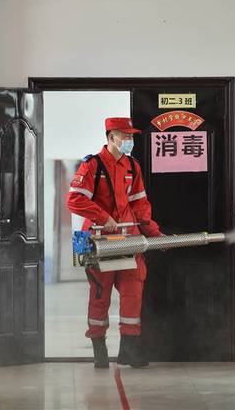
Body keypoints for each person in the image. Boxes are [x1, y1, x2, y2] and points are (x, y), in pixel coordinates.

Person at [66, 117, 162, 369]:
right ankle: (99, 349)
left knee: (133, 293)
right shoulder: (92, 166)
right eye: (125, 136)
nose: (129, 141)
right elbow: (74, 200)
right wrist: (103, 216)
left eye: (131, 136)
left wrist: (153, 233)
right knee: (100, 295)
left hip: (128, 238)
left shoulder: (133, 166)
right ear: (111, 137)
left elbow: (140, 204)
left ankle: (128, 350)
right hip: (99, 240)